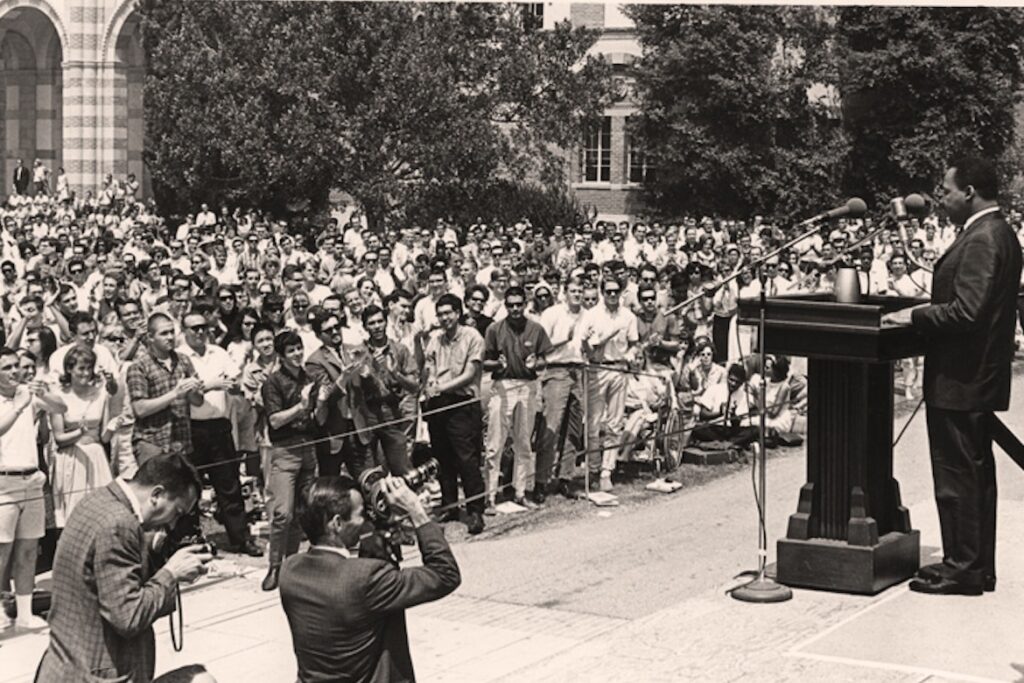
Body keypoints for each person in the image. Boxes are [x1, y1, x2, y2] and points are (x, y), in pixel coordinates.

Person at [883, 157, 1022, 596]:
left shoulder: (983, 238)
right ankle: (973, 564)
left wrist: (914, 316)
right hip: (972, 376)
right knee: (972, 476)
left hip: (963, 378)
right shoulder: (994, 231)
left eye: (946, 190)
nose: (940, 198)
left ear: (970, 191)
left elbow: (967, 312)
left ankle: (963, 568)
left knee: (957, 476)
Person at [35, 454, 214, 683]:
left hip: (66, 668)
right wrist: (171, 574)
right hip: (95, 677)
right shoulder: (119, 525)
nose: (173, 524)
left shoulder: (99, 500)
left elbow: (104, 572)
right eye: (177, 512)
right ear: (156, 495)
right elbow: (129, 618)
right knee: (202, 680)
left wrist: (152, 548)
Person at [279, 476, 461, 683]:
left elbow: (356, 604)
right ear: (337, 523)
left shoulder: (290, 571)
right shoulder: (366, 578)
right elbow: (445, 574)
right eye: (361, 515)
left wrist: (379, 529)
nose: (364, 521)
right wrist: (416, 511)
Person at [176, 310, 261, 557]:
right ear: (184, 331)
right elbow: (186, 390)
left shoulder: (219, 352)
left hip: (219, 424)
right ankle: (190, 541)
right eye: (194, 328)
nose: (200, 332)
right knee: (190, 488)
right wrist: (211, 384)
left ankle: (241, 538)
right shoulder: (180, 356)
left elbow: (234, 383)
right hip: (191, 428)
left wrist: (233, 385)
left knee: (229, 484)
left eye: (203, 327)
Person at [0, 346, 65, 631]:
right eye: (7, 367)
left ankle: (25, 614)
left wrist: (44, 394)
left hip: (31, 480)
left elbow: (61, 408)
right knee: (1, 552)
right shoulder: (16, 402)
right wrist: (18, 406)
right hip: (3, 483)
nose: (15, 371)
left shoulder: (27, 395)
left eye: (16, 365)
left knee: (28, 550)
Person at [482, 286, 552, 511]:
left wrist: (536, 363)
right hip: (503, 386)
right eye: (510, 305)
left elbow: (543, 360)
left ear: (525, 304)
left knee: (523, 442)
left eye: (518, 305)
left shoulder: (536, 328)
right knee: (495, 444)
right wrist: (497, 364)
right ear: (505, 305)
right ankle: (490, 497)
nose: (515, 309)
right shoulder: (495, 329)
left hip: (527, 386)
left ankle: (520, 492)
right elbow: (485, 362)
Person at [422, 293, 485, 534]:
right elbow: (429, 367)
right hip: (439, 404)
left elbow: (469, 374)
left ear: (458, 313)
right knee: (443, 457)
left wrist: (440, 387)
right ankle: (450, 506)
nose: (444, 318)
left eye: (448, 313)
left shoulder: (472, 337)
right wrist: (430, 383)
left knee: (466, 459)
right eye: (440, 314)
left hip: (462, 403)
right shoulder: (435, 340)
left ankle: (475, 510)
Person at [261, 330, 318, 592]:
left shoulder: (309, 377)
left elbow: (316, 415)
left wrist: (320, 403)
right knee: (282, 513)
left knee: (300, 513)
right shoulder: (273, 382)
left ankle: (291, 565)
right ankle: (274, 566)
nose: (297, 354)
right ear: (281, 356)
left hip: (308, 448)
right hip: (285, 451)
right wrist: (301, 406)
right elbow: (274, 420)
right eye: (291, 351)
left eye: (299, 348)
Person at [49, 347, 117, 527]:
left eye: (89, 368)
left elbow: (104, 437)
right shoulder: (58, 396)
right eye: (81, 368)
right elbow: (59, 438)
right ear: (69, 369)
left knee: (101, 514)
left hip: (96, 459)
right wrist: (79, 432)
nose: (86, 373)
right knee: (74, 515)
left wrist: (113, 427)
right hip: (71, 458)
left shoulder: (101, 395)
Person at [126, 313, 204, 464]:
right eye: (164, 333)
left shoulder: (184, 361)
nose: (170, 337)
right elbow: (140, 409)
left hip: (181, 443)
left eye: (172, 332)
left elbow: (198, 401)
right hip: (151, 444)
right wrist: (175, 394)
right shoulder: (139, 366)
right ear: (150, 337)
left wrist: (193, 391)